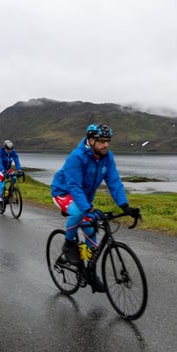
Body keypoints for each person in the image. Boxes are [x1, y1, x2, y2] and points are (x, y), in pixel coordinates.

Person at [51, 123, 140, 293]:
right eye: (102, 141)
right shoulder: (77, 157)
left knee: (92, 229)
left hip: (82, 198)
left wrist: (125, 205)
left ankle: (89, 272)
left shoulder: (107, 157)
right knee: (78, 212)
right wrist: (88, 208)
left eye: (108, 141)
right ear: (91, 140)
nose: (106, 145)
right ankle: (68, 243)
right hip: (63, 192)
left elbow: (114, 182)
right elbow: (74, 186)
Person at [0, 140, 23, 206]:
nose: (9, 151)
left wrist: (19, 170)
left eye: (11, 149)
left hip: (8, 169)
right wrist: (2, 171)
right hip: (0, 170)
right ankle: (0, 200)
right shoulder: (0, 153)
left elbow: (16, 160)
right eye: (8, 149)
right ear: (4, 148)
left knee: (14, 178)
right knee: (2, 186)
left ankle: (10, 191)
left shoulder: (13, 152)